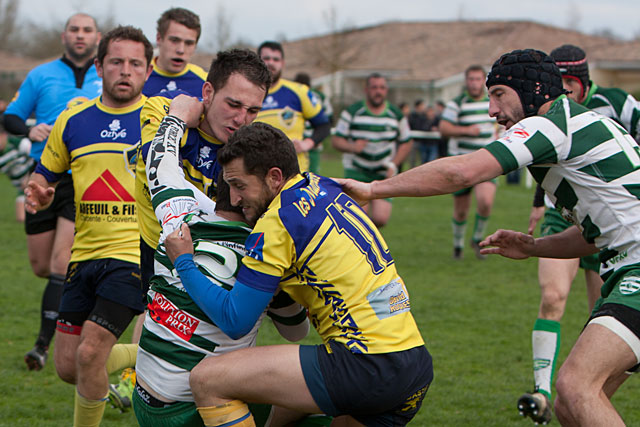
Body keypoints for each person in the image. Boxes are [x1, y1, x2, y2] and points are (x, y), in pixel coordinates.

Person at [338, 48, 640, 427]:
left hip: (637, 269)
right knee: (569, 403)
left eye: (499, 94)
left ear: (532, 90)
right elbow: (599, 235)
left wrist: (375, 189)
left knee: (577, 386)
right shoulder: (575, 124)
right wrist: (534, 247)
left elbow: (463, 172)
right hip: (624, 267)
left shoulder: (550, 124)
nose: (492, 111)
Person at [162, 122, 432, 427]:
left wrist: (184, 261)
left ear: (275, 177)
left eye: (239, 185)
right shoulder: (323, 185)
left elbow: (235, 320)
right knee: (281, 413)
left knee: (208, 380)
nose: (235, 198)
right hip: (412, 364)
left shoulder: (278, 223)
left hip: (363, 364)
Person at [132, 101, 311, 426]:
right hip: (191, 409)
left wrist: (174, 119)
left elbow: (159, 161)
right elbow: (297, 332)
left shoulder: (177, 214)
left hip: (145, 399)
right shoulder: (265, 253)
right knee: (332, 393)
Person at [117, 48, 271, 411]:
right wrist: (176, 118)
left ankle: (131, 365)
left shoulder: (247, 149)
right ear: (206, 93)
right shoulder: (161, 109)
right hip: (161, 246)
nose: (241, 118)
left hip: (217, 257)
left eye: (253, 111)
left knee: (207, 349)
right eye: (233, 104)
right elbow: (160, 161)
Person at [23, 26, 153, 427]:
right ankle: (151, 353)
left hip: (134, 256)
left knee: (90, 353)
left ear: (148, 71)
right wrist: (39, 192)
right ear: (99, 67)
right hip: (84, 259)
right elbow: (45, 175)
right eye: (116, 62)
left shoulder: (162, 119)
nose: (125, 71)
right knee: (68, 366)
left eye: (135, 63)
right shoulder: (73, 120)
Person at [514, 43, 640, 424]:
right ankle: (541, 391)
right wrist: (539, 203)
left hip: (616, 226)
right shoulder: (546, 117)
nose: (561, 92)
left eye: (567, 84)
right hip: (563, 219)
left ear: (579, 83)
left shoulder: (617, 103)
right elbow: (539, 160)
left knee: (602, 318)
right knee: (553, 295)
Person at [2, 13, 102, 371]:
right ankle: (88, 284)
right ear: (64, 35)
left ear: (96, 36)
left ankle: (42, 347)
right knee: (42, 266)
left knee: (62, 262)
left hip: (84, 179)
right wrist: (30, 129)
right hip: (42, 177)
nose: (80, 35)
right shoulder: (41, 74)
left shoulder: (106, 77)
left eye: (86, 30)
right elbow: (10, 117)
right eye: (74, 29)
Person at [332, 73, 412, 227]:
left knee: (380, 219)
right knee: (359, 218)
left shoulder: (395, 115)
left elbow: (406, 142)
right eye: (374, 87)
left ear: (386, 90)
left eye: (382, 87)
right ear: (366, 89)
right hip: (357, 170)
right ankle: (361, 248)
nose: (378, 91)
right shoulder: (353, 112)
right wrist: (353, 147)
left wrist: (394, 164)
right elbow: (336, 140)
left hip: (383, 172)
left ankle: (369, 244)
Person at [439, 65, 499, 260]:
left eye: (477, 79)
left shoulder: (492, 102)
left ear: (484, 81)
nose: (474, 83)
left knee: (486, 202)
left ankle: (477, 238)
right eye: (471, 79)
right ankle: (457, 246)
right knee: (461, 210)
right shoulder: (457, 104)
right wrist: (466, 131)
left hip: (486, 162)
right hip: (462, 163)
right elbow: (444, 128)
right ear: (466, 81)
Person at [256, 41, 331, 173]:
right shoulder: (246, 93)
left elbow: (324, 125)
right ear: (258, 61)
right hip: (255, 173)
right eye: (266, 58)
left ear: (283, 63)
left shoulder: (299, 91)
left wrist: (306, 144)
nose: (271, 63)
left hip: (294, 175)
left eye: (276, 59)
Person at [142, 7, 207, 97]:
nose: (181, 50)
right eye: (174, 40)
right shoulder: (137, 77)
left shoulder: (206, 83)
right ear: (159, 38)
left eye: (189, 43)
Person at [293, 72, 333, 174]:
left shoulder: (293, 95)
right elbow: (329, 117)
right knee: (312, 177)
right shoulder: (320, 96)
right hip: (313, 141)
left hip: (298, 142)